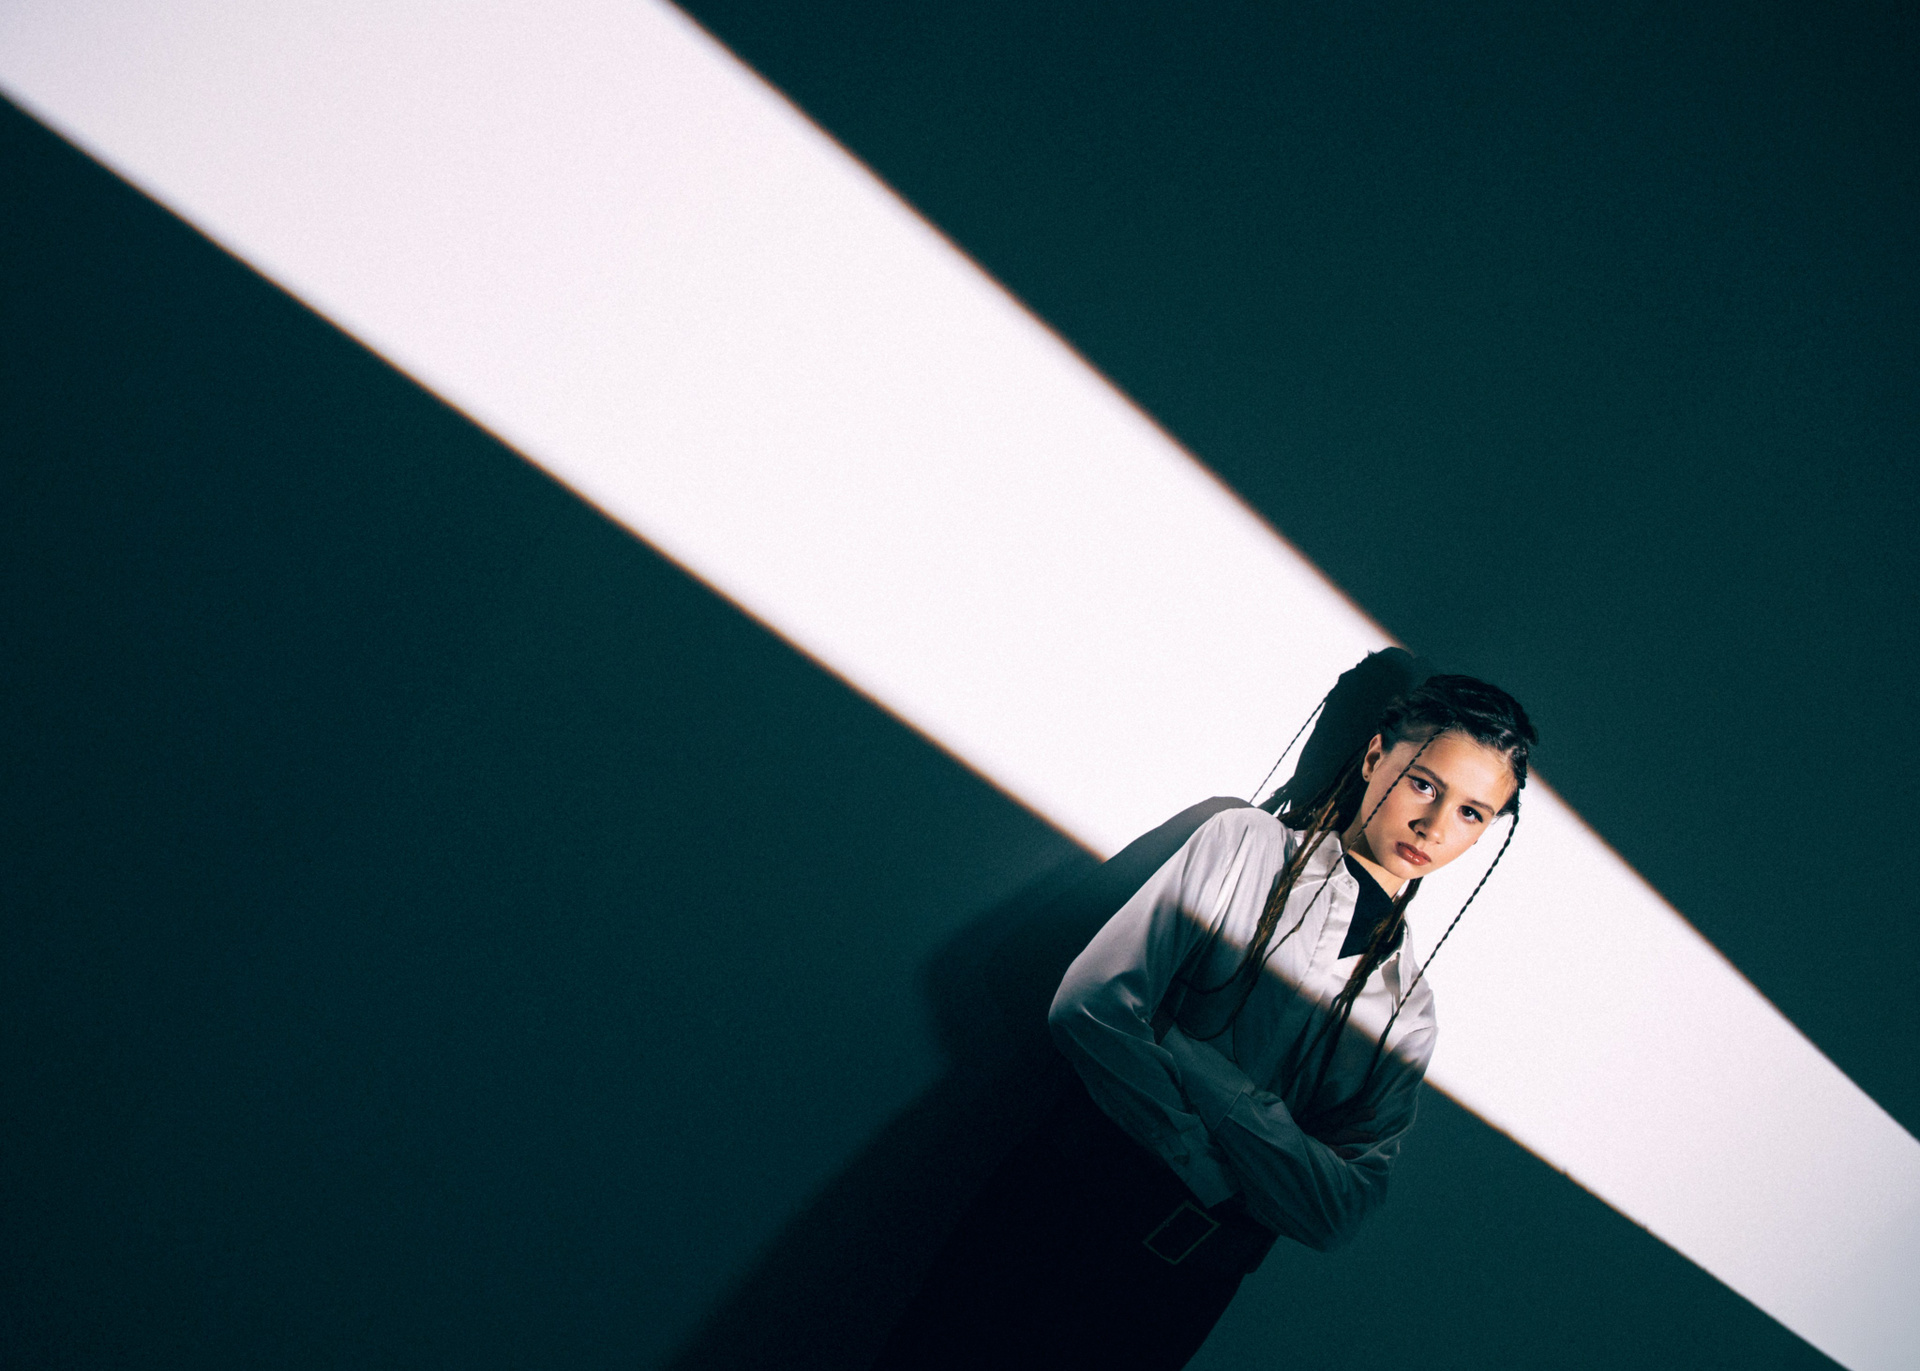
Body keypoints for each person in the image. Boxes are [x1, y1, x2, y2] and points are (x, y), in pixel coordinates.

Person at [870, 666, 1536, 1370]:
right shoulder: (1244, 844)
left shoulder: (1409, 1014)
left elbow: (1339, 1208)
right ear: (1375, 757)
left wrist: (1180, 1052)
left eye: (1472, 813)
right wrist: (1223, 1168)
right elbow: (1090, 1009)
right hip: (1059, 1213)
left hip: (1179, 1292)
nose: (1435, 825)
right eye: (1424, 784)